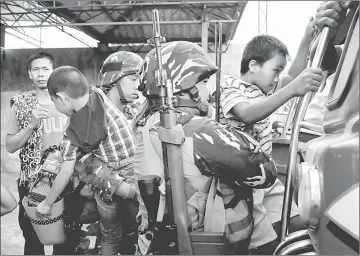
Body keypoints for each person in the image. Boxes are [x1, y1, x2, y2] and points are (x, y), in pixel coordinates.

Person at [134, 41, 279, 255]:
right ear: (186, 86)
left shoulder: (143, 124)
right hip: (198, 244)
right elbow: (265, 172)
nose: (208, 91)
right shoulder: (197, 130)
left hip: (152, 243)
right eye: (203, 82)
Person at [219, 32, 324, 253]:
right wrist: (291, 89)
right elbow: (247, 114)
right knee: (264, 245)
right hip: (244, 184)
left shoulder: (264, 90)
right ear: (254, 65)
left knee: (297, 224)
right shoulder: (230, 87)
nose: (278, 78)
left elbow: (294, 75)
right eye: (275, 70)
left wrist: (308, 33)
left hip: (267, 181)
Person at [36, 65, 137, 255]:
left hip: (112, 178)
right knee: (132, 231)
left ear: (62, 98)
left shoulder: (74, 131)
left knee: (110, 233)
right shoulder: (97, 94)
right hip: (135, 169)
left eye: (54, 101)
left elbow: (66, 170)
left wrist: (47, 203)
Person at [5, 52, 72, 255]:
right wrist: (32, 125)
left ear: (53, 72)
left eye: (45, 69)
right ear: (29, 74)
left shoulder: (68, 102)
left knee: (67, 239)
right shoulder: (22, 104)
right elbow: (10, 145)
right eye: (36, 69)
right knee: (33, 240)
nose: (41, 74)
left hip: (66, 181)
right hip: (32, 183)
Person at [96, 50, 145, 254]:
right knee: (111, 236)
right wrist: (119, 186)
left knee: (135, 237)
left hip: (134, 189)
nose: (138, 85)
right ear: (114, 78)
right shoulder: (96, 110)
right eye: (133, 79)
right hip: (108, 190)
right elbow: (80, 158)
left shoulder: (133, 109)